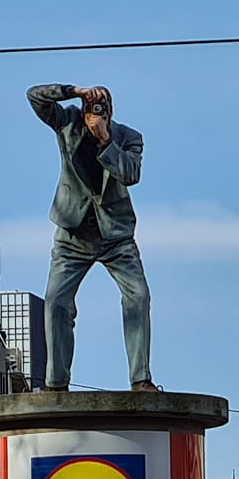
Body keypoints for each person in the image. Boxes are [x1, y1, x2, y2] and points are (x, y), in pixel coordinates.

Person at [26, 83, 157, 393]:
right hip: (72, 236)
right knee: (56, 303)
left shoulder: (129, 138)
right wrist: (74, 91)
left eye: (100, 107)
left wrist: (105, 139)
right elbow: (34, 96)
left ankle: (141, 379)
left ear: (110, 112)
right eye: (91, 106)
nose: (94, 112)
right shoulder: (68, 122)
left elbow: (131, 174)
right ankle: (56, 384)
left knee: (138, 297)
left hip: (116, 236)